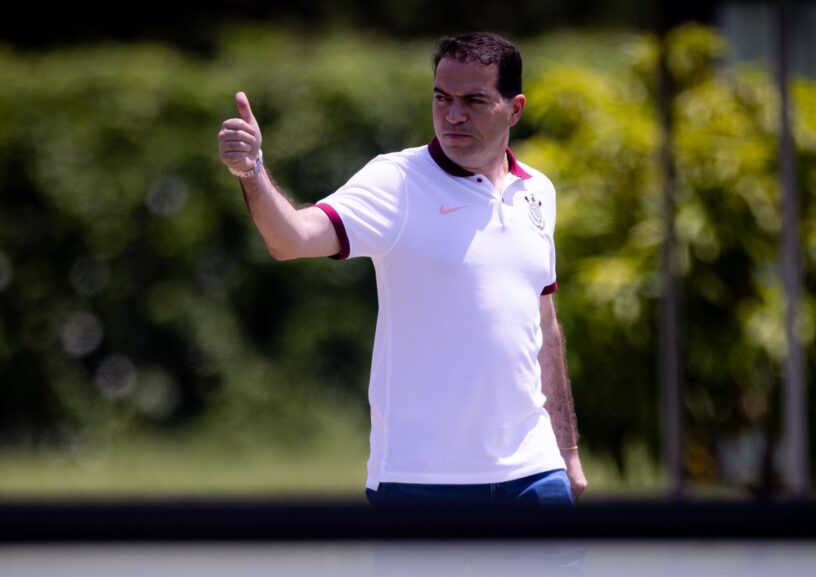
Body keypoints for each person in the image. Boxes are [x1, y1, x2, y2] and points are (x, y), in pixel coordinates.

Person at [218, 32, 587, 509]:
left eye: (473, 100)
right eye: (442, 98)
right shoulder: (397, 181)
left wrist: (567, 452)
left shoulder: (538, 190)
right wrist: (251, 170)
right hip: (420, 480)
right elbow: (291, 240)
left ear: (514, 109)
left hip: (534, 474)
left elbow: (545, 327)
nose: (453, 115)